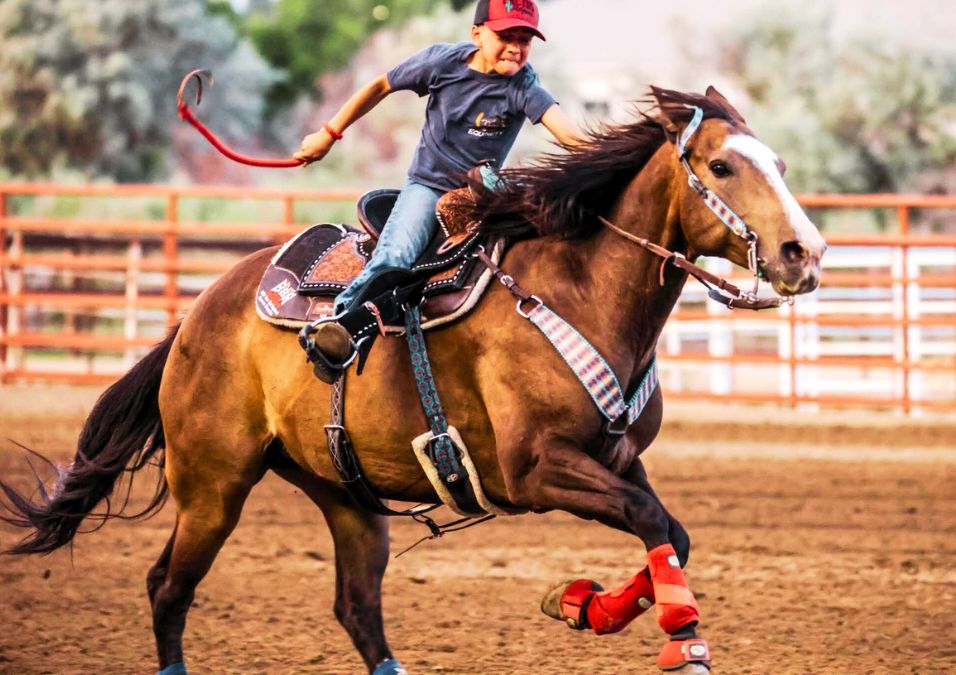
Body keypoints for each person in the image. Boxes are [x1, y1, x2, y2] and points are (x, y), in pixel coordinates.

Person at [294, 0, 581, 379]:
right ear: (477, 34)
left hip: (481, 192)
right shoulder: (442, 63)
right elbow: (380, 85)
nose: (515, 47)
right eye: (505, 36)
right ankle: (339, 328)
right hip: (429, 186)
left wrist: (609, 160)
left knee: (537, 227)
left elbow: (566, 133)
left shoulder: (523, 84)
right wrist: (328, 134)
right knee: (397, 255)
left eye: (524, 39)